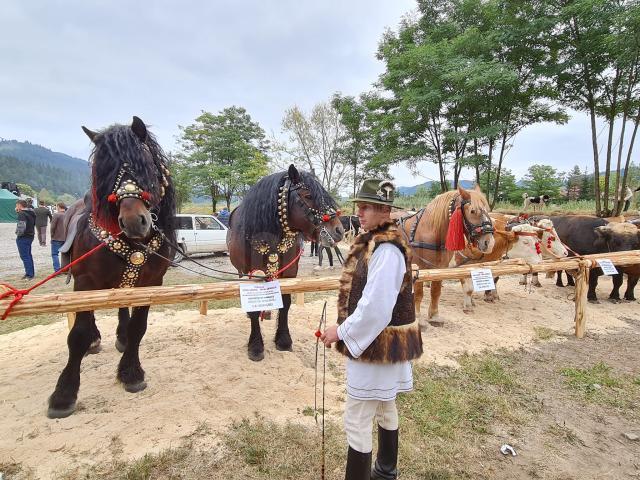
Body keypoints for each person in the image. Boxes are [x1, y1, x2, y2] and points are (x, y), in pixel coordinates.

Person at [320, 178, 423, 479]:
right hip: (385, 345)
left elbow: (376, 309)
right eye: (359, 207)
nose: (360, 213)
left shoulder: (386, 250)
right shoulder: (378, 242)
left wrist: (339, 332)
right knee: (384, 406)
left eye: (365, 207)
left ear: (383, 209)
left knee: (357, 417)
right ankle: (386, 470)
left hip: (378, 345)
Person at [15, 199, 36, 279]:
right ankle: (30, 272)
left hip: (23, 237)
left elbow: (21, 226)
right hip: (30, 235)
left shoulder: (22, 214)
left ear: (20, 205)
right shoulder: (32, 213)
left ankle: (29, 274)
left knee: (24, 256)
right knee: (28, 255)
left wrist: (18, 234)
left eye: (16, 205)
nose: (16, 207)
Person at [50, 202, 67, 272]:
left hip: (57, 237)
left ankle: (57, 270)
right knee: (65, 254)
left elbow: (52, 227)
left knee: (55, 254)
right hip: (66, 238)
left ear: (59, 207)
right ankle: (66, 269)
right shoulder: (68, 214)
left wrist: (52, 235)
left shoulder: (56, 215)